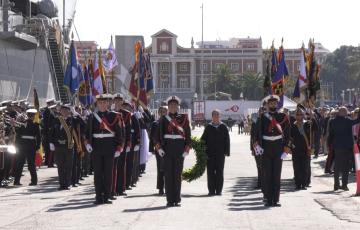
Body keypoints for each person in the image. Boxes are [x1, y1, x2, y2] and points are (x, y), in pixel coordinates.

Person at [85, 94, 124, 204]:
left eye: (104, 102)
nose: (102, 105)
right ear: (97, 104)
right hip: (96, 146)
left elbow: (119, 133)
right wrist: (87, 143)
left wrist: (119, 148)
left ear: (108, 103)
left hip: (109, 146)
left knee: (108, 173)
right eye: (100, 103)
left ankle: (107, 196)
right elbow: (87, 133)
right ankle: (98, 196)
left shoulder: (115, 116)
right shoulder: (92, 117)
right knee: (97, 173)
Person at [254, 95, 291, 207]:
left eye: (275, 103)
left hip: (278, 147)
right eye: (271, 103)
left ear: (277, 104)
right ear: (267, 104)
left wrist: (286, 149)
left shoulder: (283, 116)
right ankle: (268, 198)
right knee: (267, 174)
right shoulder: (262, 117)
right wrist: (257, 147)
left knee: (276, 174)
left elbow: (288, 134)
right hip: (266, 148)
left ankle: (276, 199)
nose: (273, 105)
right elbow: (256, 134)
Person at [155, 96, 191, 207]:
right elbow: (156, 136)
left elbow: (188, 135)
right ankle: (170, 200)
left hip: (180, 149)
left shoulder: (184, 119)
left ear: (178, 107)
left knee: (177, 175)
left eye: (175, 105)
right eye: (171, 106)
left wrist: (187, 149)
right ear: (168, 107)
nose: (173, 107)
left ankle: (177, 198)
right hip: (167, 150)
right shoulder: (163, 119)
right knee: (168, 175)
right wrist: (159, 148)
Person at [328, 106, 360, 191]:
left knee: (337, 166)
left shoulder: (333, 121)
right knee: (345, 167)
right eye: (346, 111)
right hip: (347, 147)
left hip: (337, 146)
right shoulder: (348, 121)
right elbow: (357, 120)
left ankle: (336, 185)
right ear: (342, 112)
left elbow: (331, 134)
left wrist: (329, 145)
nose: (347, 113)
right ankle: (344, 185)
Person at [201, 109, 230, 196]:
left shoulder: (223, 127)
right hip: (209, 154)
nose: (216, 117)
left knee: (219, 172)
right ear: (212, 116)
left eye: (218, 115)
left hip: (220, 154)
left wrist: (226, 151)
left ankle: (219, 190)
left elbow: (227, 140)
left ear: (219, 116)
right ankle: (211, 190)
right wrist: (202, 151)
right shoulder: (208, 127)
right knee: (210, 172)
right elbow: (203, 140)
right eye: (214, 115)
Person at [290, 106, 317, 190]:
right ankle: (298, 184)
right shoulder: (293, 126)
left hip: (306, 149)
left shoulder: (308, 124)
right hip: (296, 150)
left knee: (305, 167)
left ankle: (304, 184)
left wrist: (312, 117)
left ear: (303, 115)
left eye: (301, 114)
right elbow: (290, 137)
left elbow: (316, 128)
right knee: (297, 167)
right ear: (295, 116)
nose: (299, 116)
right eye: (297, 114)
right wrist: (291, 147)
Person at [49, 104, 75, 190]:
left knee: (68, 166)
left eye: (66, 110)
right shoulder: (56, 120)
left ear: (69, 111)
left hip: (68, 146)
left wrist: (76, 114)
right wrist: (51, 142)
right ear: (60, 111)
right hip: (58, 146)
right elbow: (52, 132)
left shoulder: (72, 120)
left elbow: (82, 126)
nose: (64, 112)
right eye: (62, 110)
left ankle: (67, 184)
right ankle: (61, 184)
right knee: (60, 166)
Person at [13, 109, 41, 186]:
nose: (31, 117)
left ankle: (17, 181)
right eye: (31, 115)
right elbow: (38, 137)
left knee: (20, 164)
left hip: (23, 146)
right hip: (31, 146)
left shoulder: (22, 123)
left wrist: (17, 145)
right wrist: (37, 146)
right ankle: (34, 181)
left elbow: (18, 134)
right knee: (30, 164)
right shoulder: (35, 125)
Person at [150, 106, 168, 195]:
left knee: (168, 169)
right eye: (161, 111)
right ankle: (161, 188)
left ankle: (168, 187)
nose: (163, 113)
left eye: (164, 111)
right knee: (160, 169)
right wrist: (152, 148)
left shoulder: (170, 123)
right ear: (159, 113)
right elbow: (152, 137)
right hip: (159, 148)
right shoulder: (155, 123)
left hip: (169, 149)